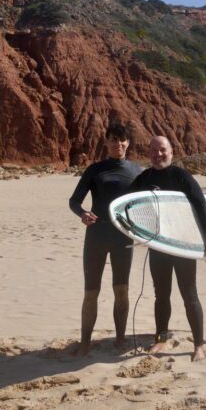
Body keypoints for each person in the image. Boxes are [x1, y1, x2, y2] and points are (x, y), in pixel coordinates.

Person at [131, 135, 206, 362]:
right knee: (161, 295)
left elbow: (201, 205)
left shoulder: (181, 176)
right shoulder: (144, 178)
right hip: (158, 245)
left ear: (172, 151)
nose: (158, 154)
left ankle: (199, 344)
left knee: (189, 295)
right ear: (148, 153)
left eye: (163, 150)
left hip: (181, 246)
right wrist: (134, 232)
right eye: (154, 151)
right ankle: (161, 338)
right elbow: (128, 204)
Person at [69, 123, 142, 355]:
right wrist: (83, 214)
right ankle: (85, 342)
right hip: (97, 236)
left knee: (122, 290)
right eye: (112, 139)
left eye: (121, 140)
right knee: (91, 292)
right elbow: (74, 201)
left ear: (128, 142)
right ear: (106, 142)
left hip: (123, 238)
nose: (117, 144)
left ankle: (120, 338)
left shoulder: (137, 171)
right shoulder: (95, 170)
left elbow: (148, 202)